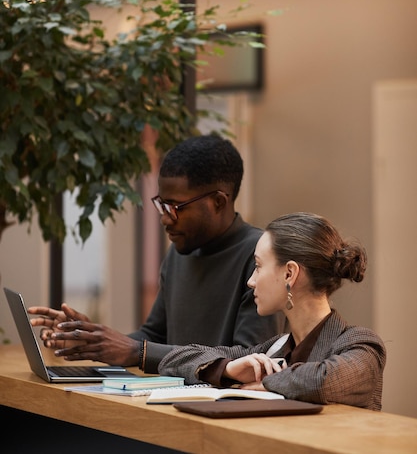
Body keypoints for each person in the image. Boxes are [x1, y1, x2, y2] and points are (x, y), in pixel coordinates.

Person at [29, 134, 282, 373]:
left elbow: (252, 359)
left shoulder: (261, 256)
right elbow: (154, 336)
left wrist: (138, 352)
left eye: (175, 207)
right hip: (171, 400)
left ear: (218, 202)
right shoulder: (179, 253)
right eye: (162, 204)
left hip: (228, 409)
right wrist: (91, 340)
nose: (164, 218)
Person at [158, 212, 386, 411]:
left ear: (289, 274)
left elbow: (322, 381)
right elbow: (175, 360)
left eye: (258, 267)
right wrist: (228, 368)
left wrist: (268, 381)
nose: (251, 281)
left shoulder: (362, 346)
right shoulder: (274, 350)